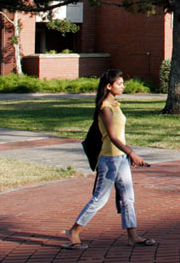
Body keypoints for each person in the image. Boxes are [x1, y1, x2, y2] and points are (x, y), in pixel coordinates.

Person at [63, 69, 156, 249]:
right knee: (100, 198)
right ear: (108, 86)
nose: (123, 86)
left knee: (128, 197)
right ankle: (74, 231)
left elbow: (120, 135)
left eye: (122, 83)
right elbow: (112, 137)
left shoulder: (115, 105)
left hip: (121, 158)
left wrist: (127, 154)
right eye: (119, 83)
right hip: (109, 159)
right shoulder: (105, 108)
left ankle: (132, 235)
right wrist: (132, 154)